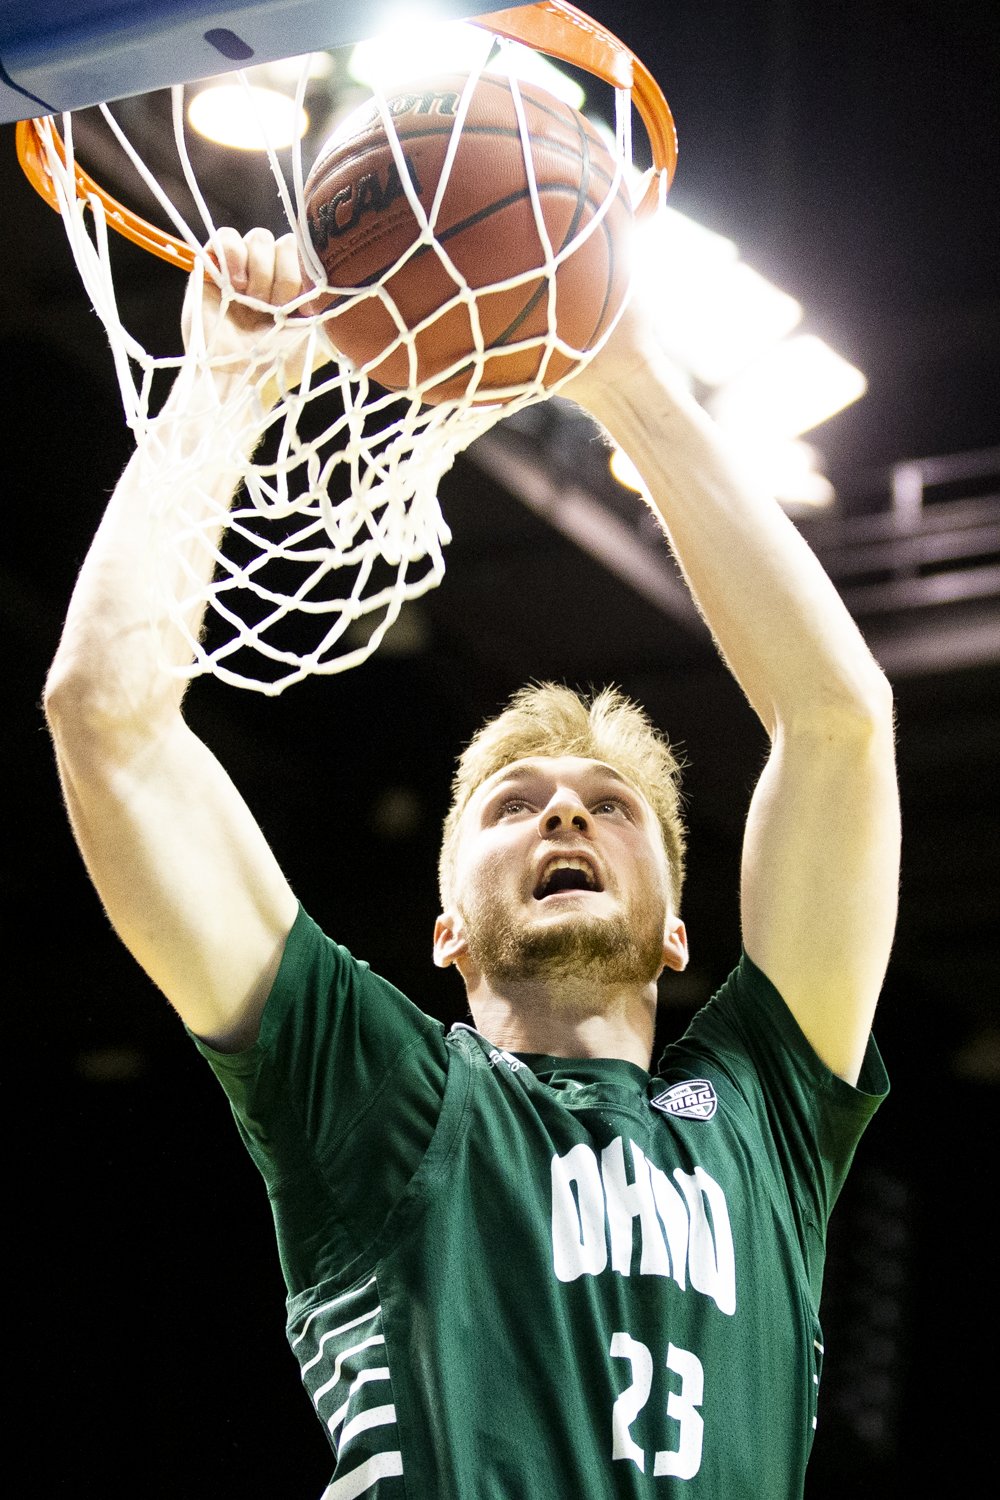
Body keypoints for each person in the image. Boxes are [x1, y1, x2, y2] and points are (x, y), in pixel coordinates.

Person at [44, 227, 900, 1498]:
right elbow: (107, 722)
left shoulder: (763, 1120)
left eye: (611, 806)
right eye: (513, 806)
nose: (564, 817)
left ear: (677, 928)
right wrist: (222, 382)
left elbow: (839, 727)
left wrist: (627, 375)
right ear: (443, 927)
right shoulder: (378, 1091)